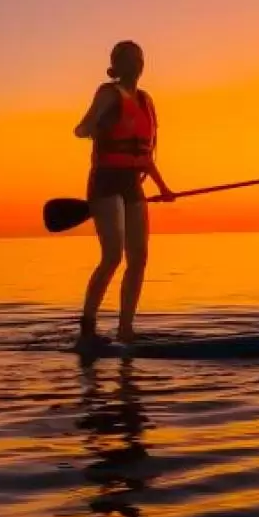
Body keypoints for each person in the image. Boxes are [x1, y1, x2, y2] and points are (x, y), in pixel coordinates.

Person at [73, 40, 175, 353]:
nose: (137, 64)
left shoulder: (146, 100)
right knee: (113, 256)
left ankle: (125, 329)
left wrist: (163, 187)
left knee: (139, 257)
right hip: (105, 182)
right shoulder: (107, 93)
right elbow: (80, 129)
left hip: (133, 183)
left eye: (140, 58)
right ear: (118, 65)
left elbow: (145, 156)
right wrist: (96, 124)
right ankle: (88, 329)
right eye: (130, 59)